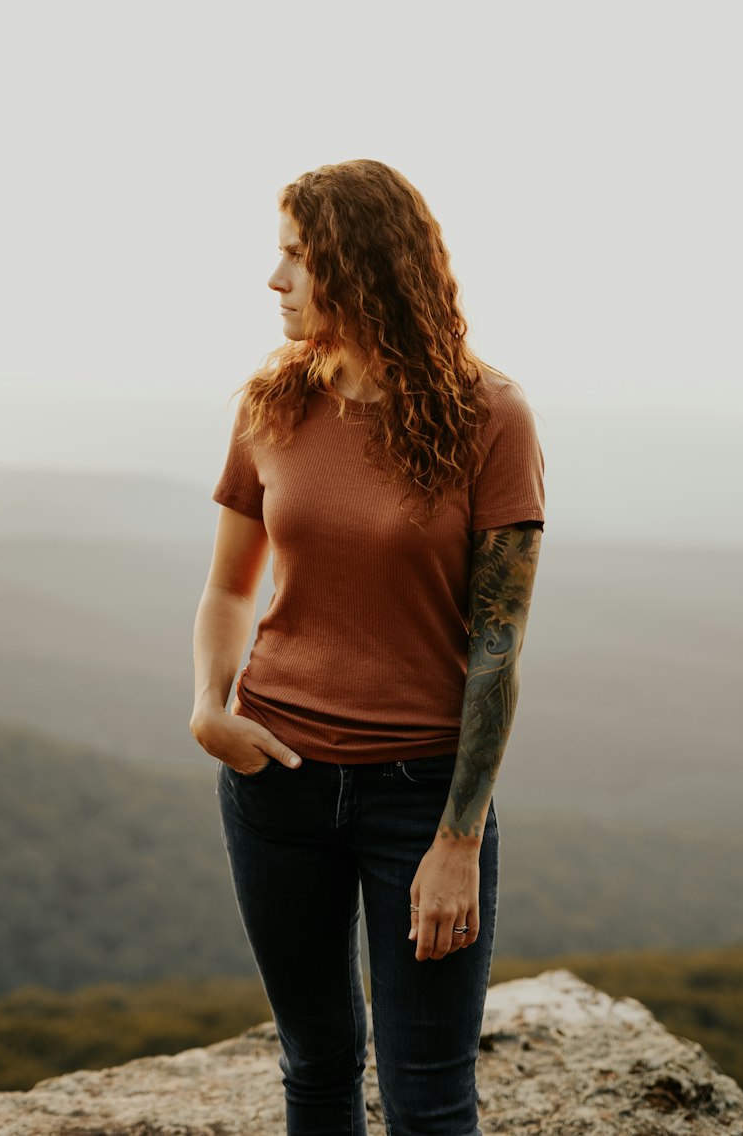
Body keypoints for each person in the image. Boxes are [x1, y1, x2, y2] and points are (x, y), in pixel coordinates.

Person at [190, 159, 544, 1136]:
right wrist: (210, 710)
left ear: (363, 265)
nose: (275, 282)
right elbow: (228, 585)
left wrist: (457, 841)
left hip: (418, 797)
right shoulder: (273, 402)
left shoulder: (491, 417)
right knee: (315, 1067)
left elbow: (497, 649)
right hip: (276, 780)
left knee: (429, 1098)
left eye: (298, 259)